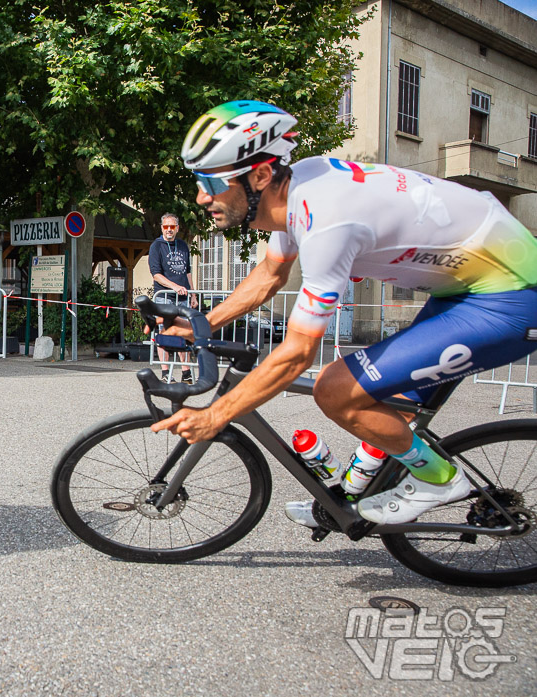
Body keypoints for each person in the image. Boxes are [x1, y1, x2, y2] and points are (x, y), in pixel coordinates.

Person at [156, 99, 537, 526]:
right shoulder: (295, 190)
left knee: (337, 388)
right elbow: (269, 275)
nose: (200, 195)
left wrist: (215, 416)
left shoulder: (328, 221)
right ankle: (349, 503)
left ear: (260, 174)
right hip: (461, 288)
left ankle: (441, 479)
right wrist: (202, 324)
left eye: (210, 180)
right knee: (388, 405)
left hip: (510, 297)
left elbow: (299, 351)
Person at [148, 213, 197, 383]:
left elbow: (188, 272)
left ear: (177, 228)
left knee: (183, 332)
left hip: (183, 297)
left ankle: (186, 372)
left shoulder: (183, 245)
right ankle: (165, 371)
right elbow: (156, 275)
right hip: (164, 296)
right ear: (162, 228)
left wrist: (193, 293)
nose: (169, 230)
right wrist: (174, 286)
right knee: (164, 332)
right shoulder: (156, 246)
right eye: (166, 226)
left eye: (172, 226)